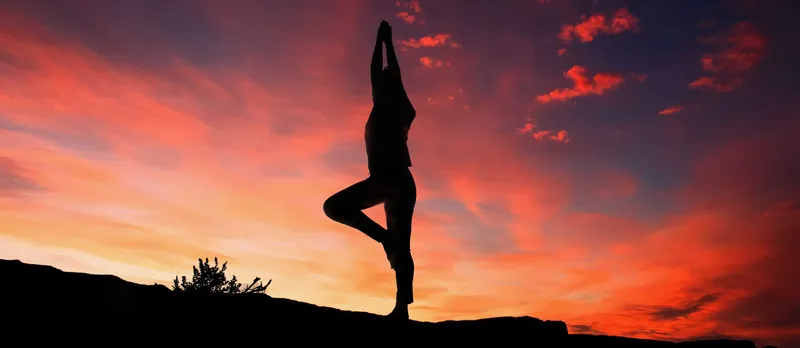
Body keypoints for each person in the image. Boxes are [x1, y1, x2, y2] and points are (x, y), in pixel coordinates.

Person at [323, 20, 417, 320]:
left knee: (400, 244)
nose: (381, 80)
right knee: (336, 207)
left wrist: (384, 43)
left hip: (395, 180)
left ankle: (402, 307)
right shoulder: (390, 106)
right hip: (388, 181)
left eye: (386, 79)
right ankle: (386, 243)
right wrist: (384, 43)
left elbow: (384, 73)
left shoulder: (394, 106)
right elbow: (381, 73)